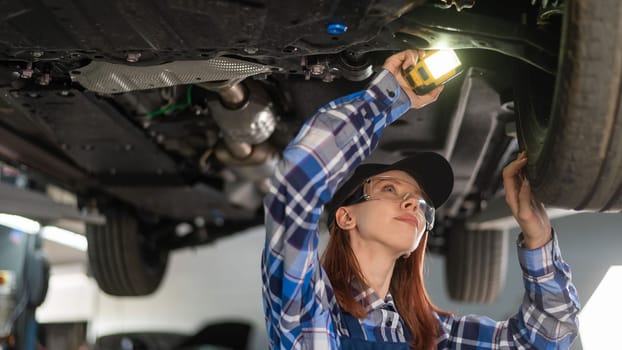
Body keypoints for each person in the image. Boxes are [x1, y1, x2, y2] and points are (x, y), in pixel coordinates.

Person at [261, 49, 580, 349]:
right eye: (389, 189)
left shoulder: (432, 336)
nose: (414, 203)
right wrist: (387, 98)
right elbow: (297, 179)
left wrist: (538, 237)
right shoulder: (308, 310)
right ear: (346, 217)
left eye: (419, 200)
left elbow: (544, 340)